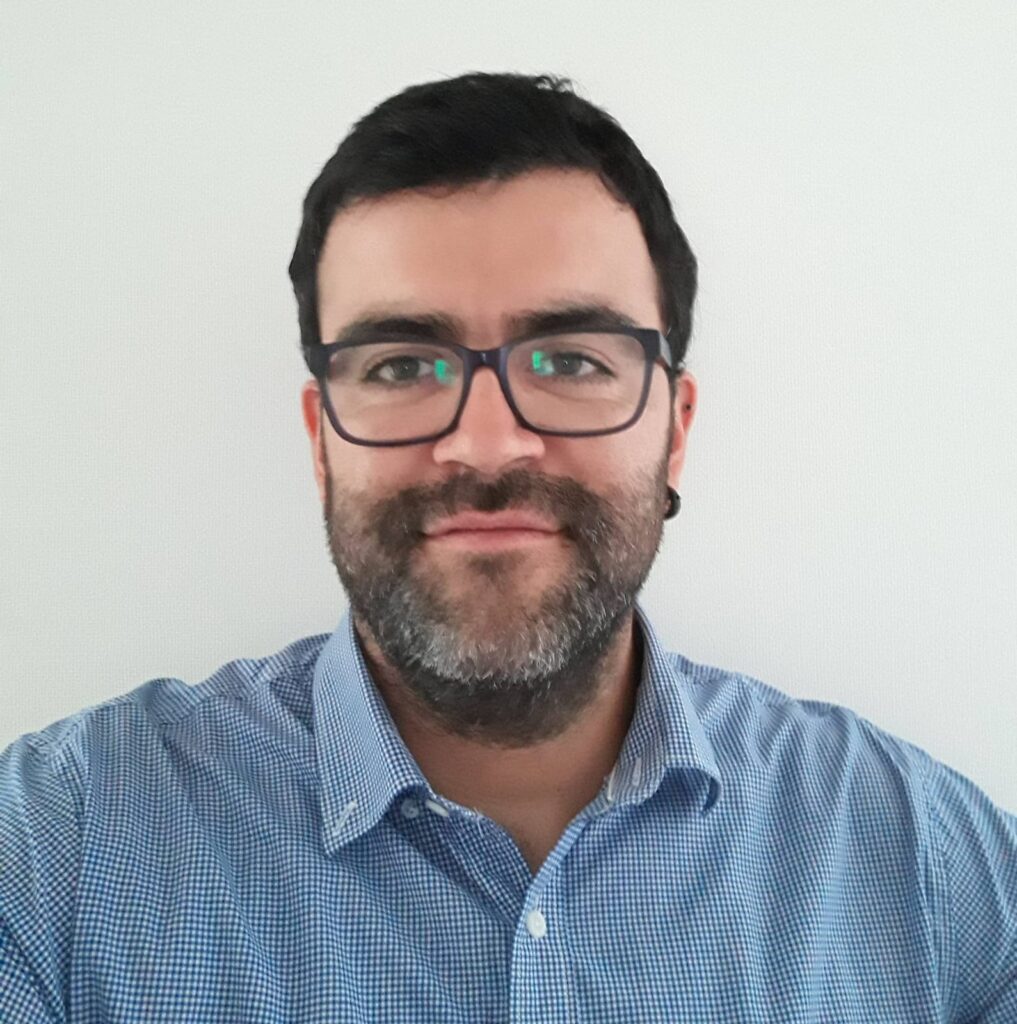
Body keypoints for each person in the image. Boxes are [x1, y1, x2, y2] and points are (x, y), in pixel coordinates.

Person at [1, 71, 1014, 1023]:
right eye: (402, 366)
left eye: (569, 359)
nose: (486, 445)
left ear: (675, 429)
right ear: (320, 440)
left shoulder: (936, 872)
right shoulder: (55, 857)